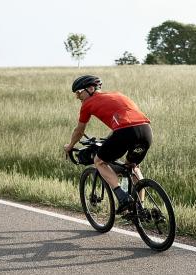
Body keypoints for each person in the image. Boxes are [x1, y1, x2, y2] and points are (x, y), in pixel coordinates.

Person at [64, 75, 152, 214]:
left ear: (91, 88)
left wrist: (69, 146)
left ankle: (123, 197)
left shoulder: (87, 104)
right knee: (132, 166)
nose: (78, 96)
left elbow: (79, 131)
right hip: (146, 130)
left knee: (99, 161)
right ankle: (140, 208)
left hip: (124, 132)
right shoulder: (118, 94)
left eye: (79, 92)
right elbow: (128, 119)